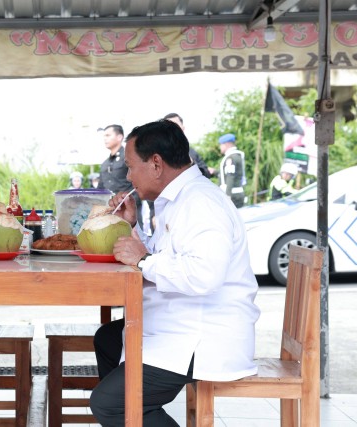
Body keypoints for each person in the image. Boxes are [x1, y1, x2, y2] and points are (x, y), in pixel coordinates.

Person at [90, 120, 260, 426]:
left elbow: (204, 274)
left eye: (130, 167)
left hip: (202, 336)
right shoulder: (177, 197)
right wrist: (133, 227)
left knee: (110, 403)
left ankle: (131, 410)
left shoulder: (200, 201)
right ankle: (136, 414)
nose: (128, 176)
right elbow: (162, 254)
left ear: (156, 163)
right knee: (108, 339)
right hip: (180, 320)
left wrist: (142, 260)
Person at [97, 124, 143, 223]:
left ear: (119, 137)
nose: (105, 139)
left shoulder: (130, 158)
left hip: (130, 211)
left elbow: (142, 182)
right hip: (110, 212)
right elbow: (100, 190)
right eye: (104, 136)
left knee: (135, 237)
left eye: (108, 135)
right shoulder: (104, 164)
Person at [163, 113, 216, 178]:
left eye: (176, 124)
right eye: (170, 126)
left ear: (183, 127)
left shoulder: (191, 152)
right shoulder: (160, 154)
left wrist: (192, 163)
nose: (174, 129)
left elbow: (206, 174)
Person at [218, 133, 246, 208]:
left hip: (233, 195)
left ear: (226, 144)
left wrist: (227, 196)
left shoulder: (231, 158)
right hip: (236, 194)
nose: (220, 147)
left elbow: (231, 177)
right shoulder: (236, 156)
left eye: (221, 145)